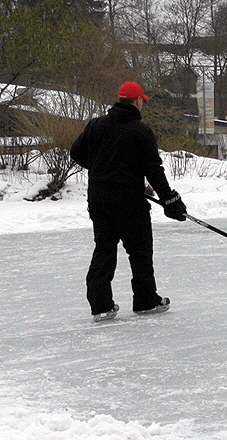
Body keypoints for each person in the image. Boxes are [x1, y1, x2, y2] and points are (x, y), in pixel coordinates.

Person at [70, 81, 187, 322]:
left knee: (104, 248)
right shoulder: (140, 131)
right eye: (142, 100)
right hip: (129, 202)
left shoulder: (95, 125)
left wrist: (104, 170)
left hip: (99, 200)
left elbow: (76, 153)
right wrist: (169, 198)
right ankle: (145, 300)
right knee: (140, 251)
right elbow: (154, 169)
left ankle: (100, 305)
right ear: (136, 101)